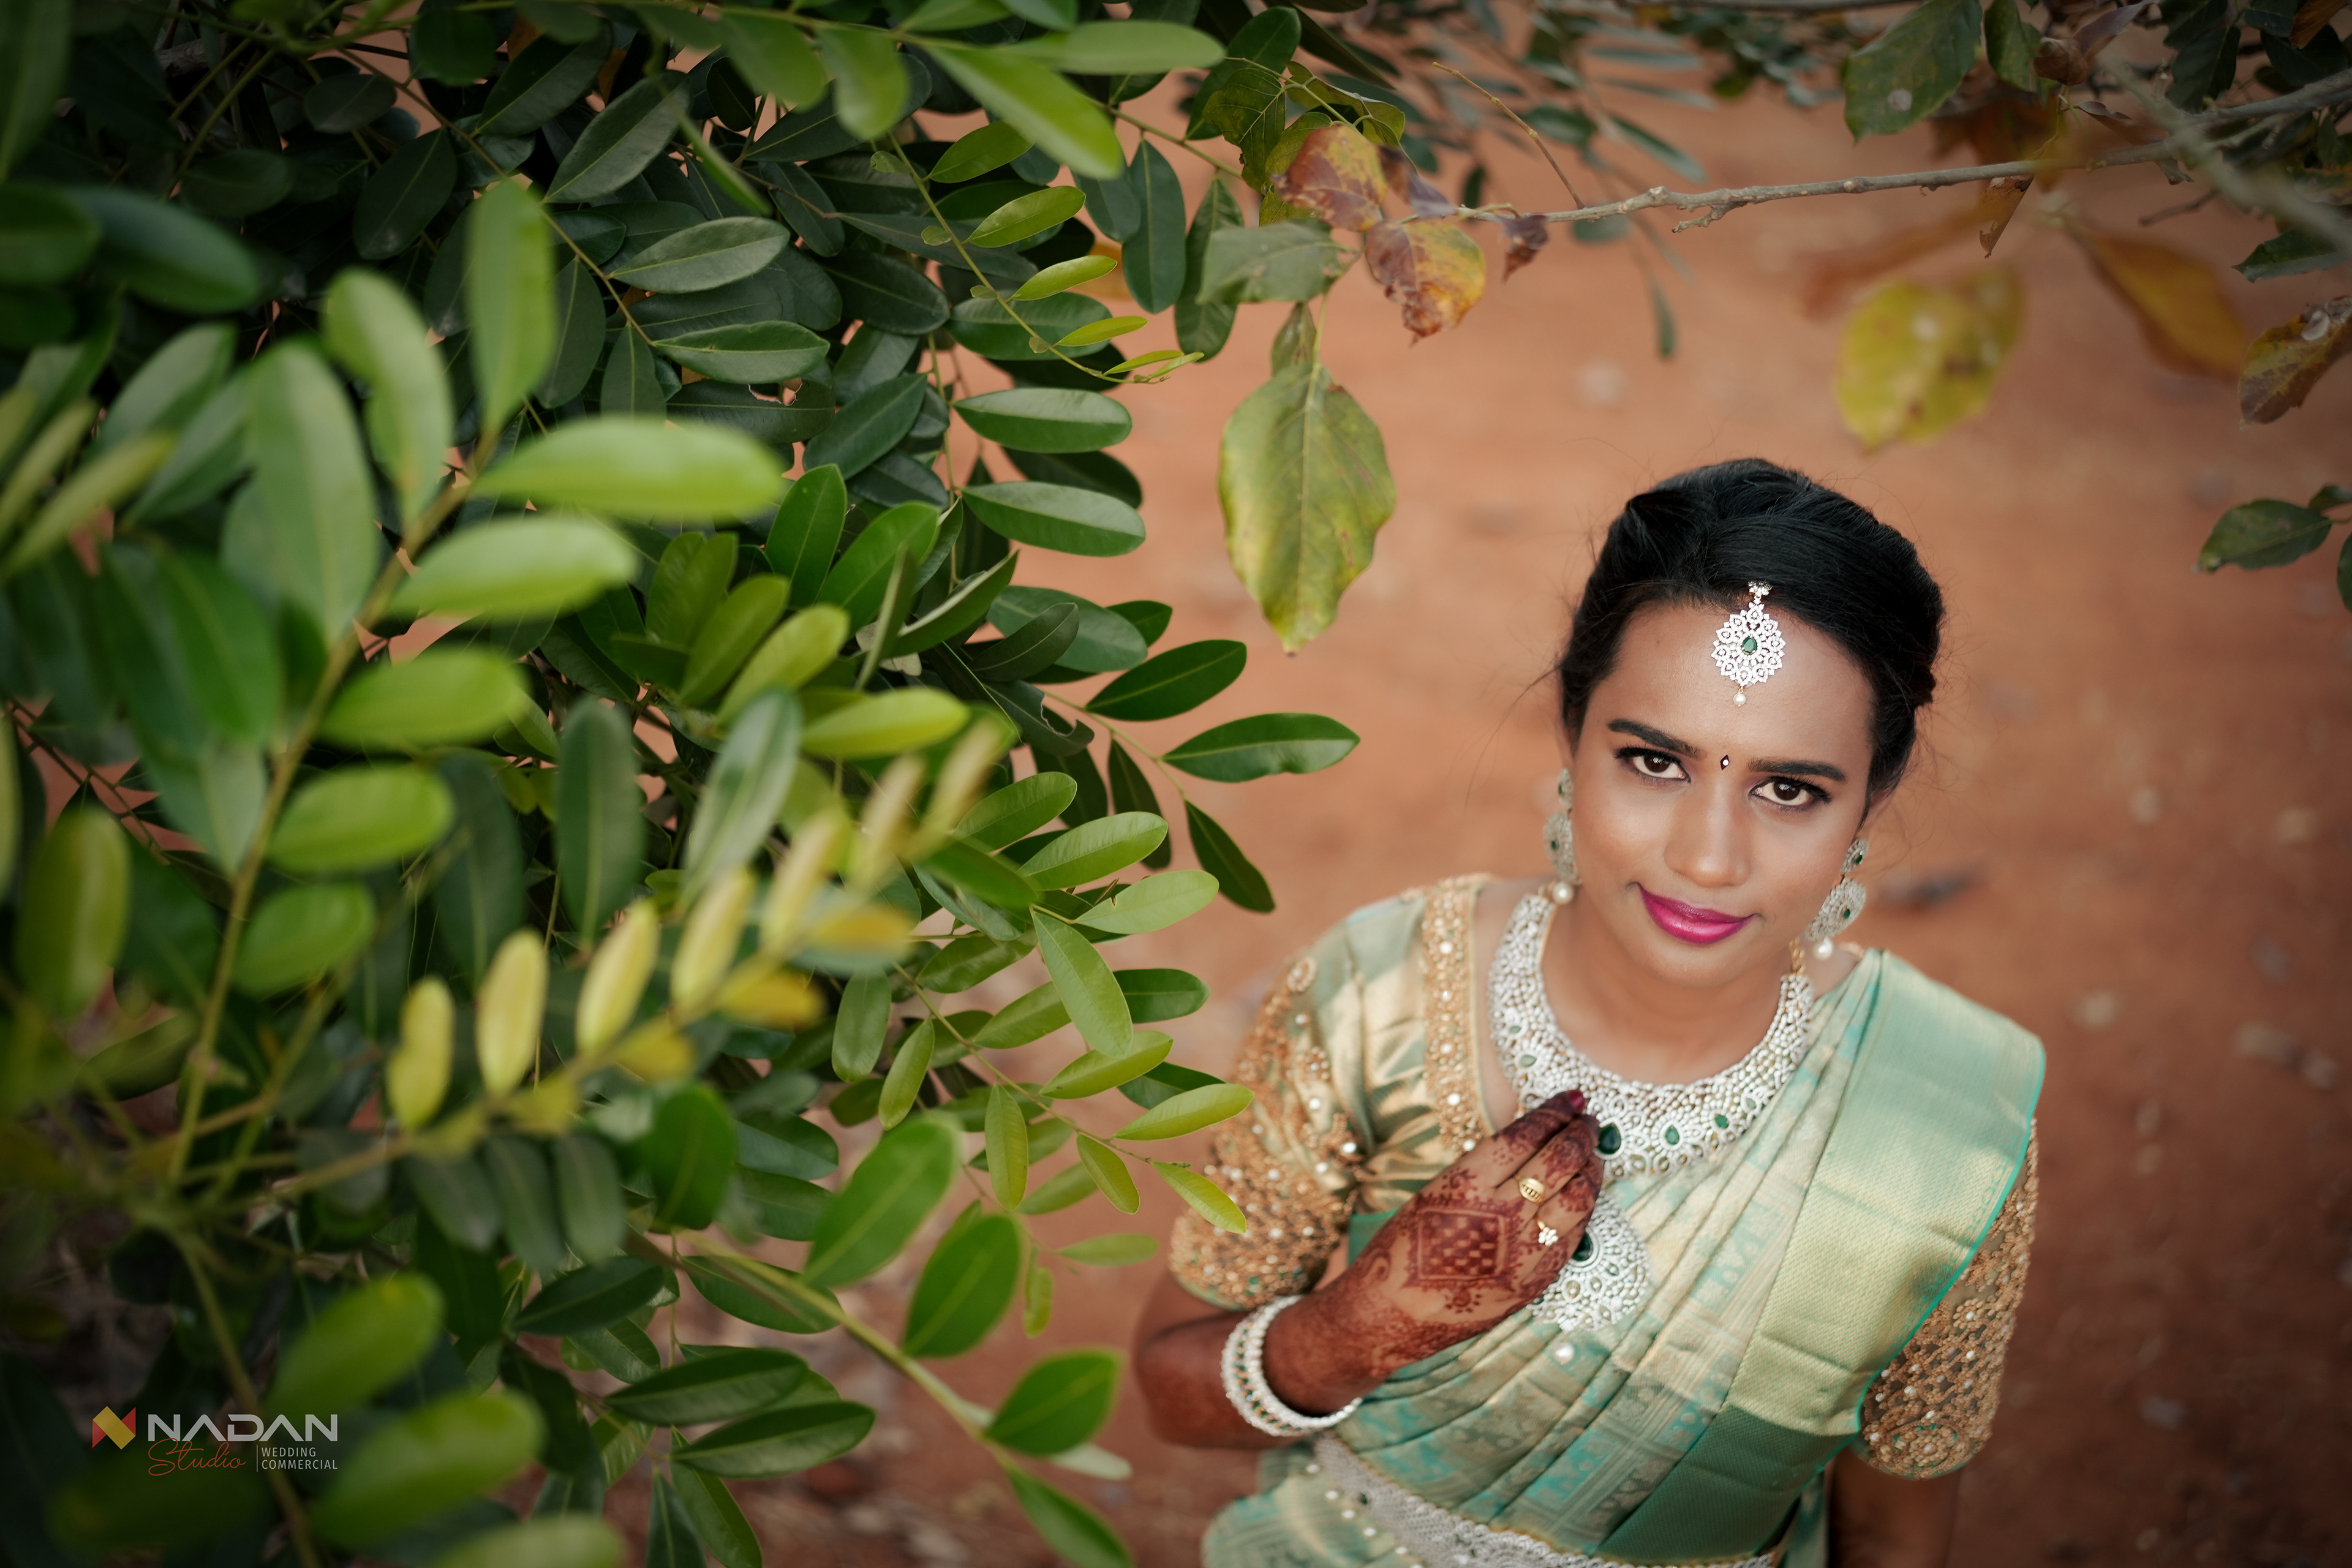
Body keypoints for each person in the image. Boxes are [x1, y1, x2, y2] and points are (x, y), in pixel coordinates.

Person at [1133, 459, 2041, 1568]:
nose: (1708, 858)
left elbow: (1893, 1537)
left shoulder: (1948, 1134)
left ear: (1872, 800)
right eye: (1654, 761)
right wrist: (1357, 1332)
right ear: (1572, 732)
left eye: (1789, 789)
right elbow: (1169, 1390)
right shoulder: (1377, 998)